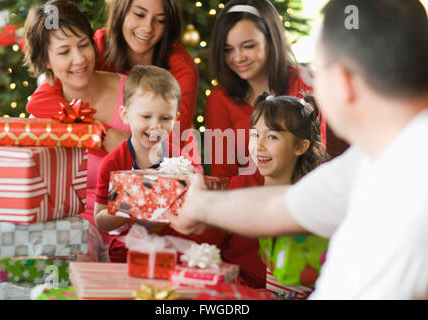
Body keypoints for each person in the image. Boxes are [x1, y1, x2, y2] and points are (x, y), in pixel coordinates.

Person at [168, 0, 428, 299]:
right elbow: (286, 204)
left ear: (342, 82)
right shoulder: (375, 156)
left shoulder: (407, 198)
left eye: (317, 73)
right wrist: (202, 206)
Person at [23, 0, 130, 261]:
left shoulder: (132, 91)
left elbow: (165, 161)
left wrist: (133, 150)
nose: (79, 59)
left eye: (84, 45)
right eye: (64, 52)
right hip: (77, 224)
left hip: (134, 223)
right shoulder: (42, 111)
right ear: (43, 59)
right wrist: (98, 132)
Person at [93, 65, 227, 263]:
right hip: (129, 242)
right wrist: (129, 204)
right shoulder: (114, 163)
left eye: (165, 118)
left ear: (176, 119)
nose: (155, 126)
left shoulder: (179, 159)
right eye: (146, 116)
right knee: (123, 254)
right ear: (125, 114)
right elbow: (100, 220)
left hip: (173, 238)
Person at [26, 0, 199, 153]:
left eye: (160, 20)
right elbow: (40, 101)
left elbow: (169, 144)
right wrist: (99, 131)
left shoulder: (182, 69)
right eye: (139, 14)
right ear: (121, 12)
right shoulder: (100, 46)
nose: (147, 28)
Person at [205, 0, 325, 178]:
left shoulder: (305, 85)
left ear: (271, 40)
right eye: (228, 49)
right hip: (244, 200)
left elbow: (315, 159)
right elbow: (223, 175)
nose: (238, 57)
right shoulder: (220, 98)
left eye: (248, 46)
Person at [226, 93, 328, 292]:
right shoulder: (241, 186)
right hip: (239, 291)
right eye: (255, 134)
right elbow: (205, 239)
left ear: (300, 146)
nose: (259, 146)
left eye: (272, 136)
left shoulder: (313, 197)